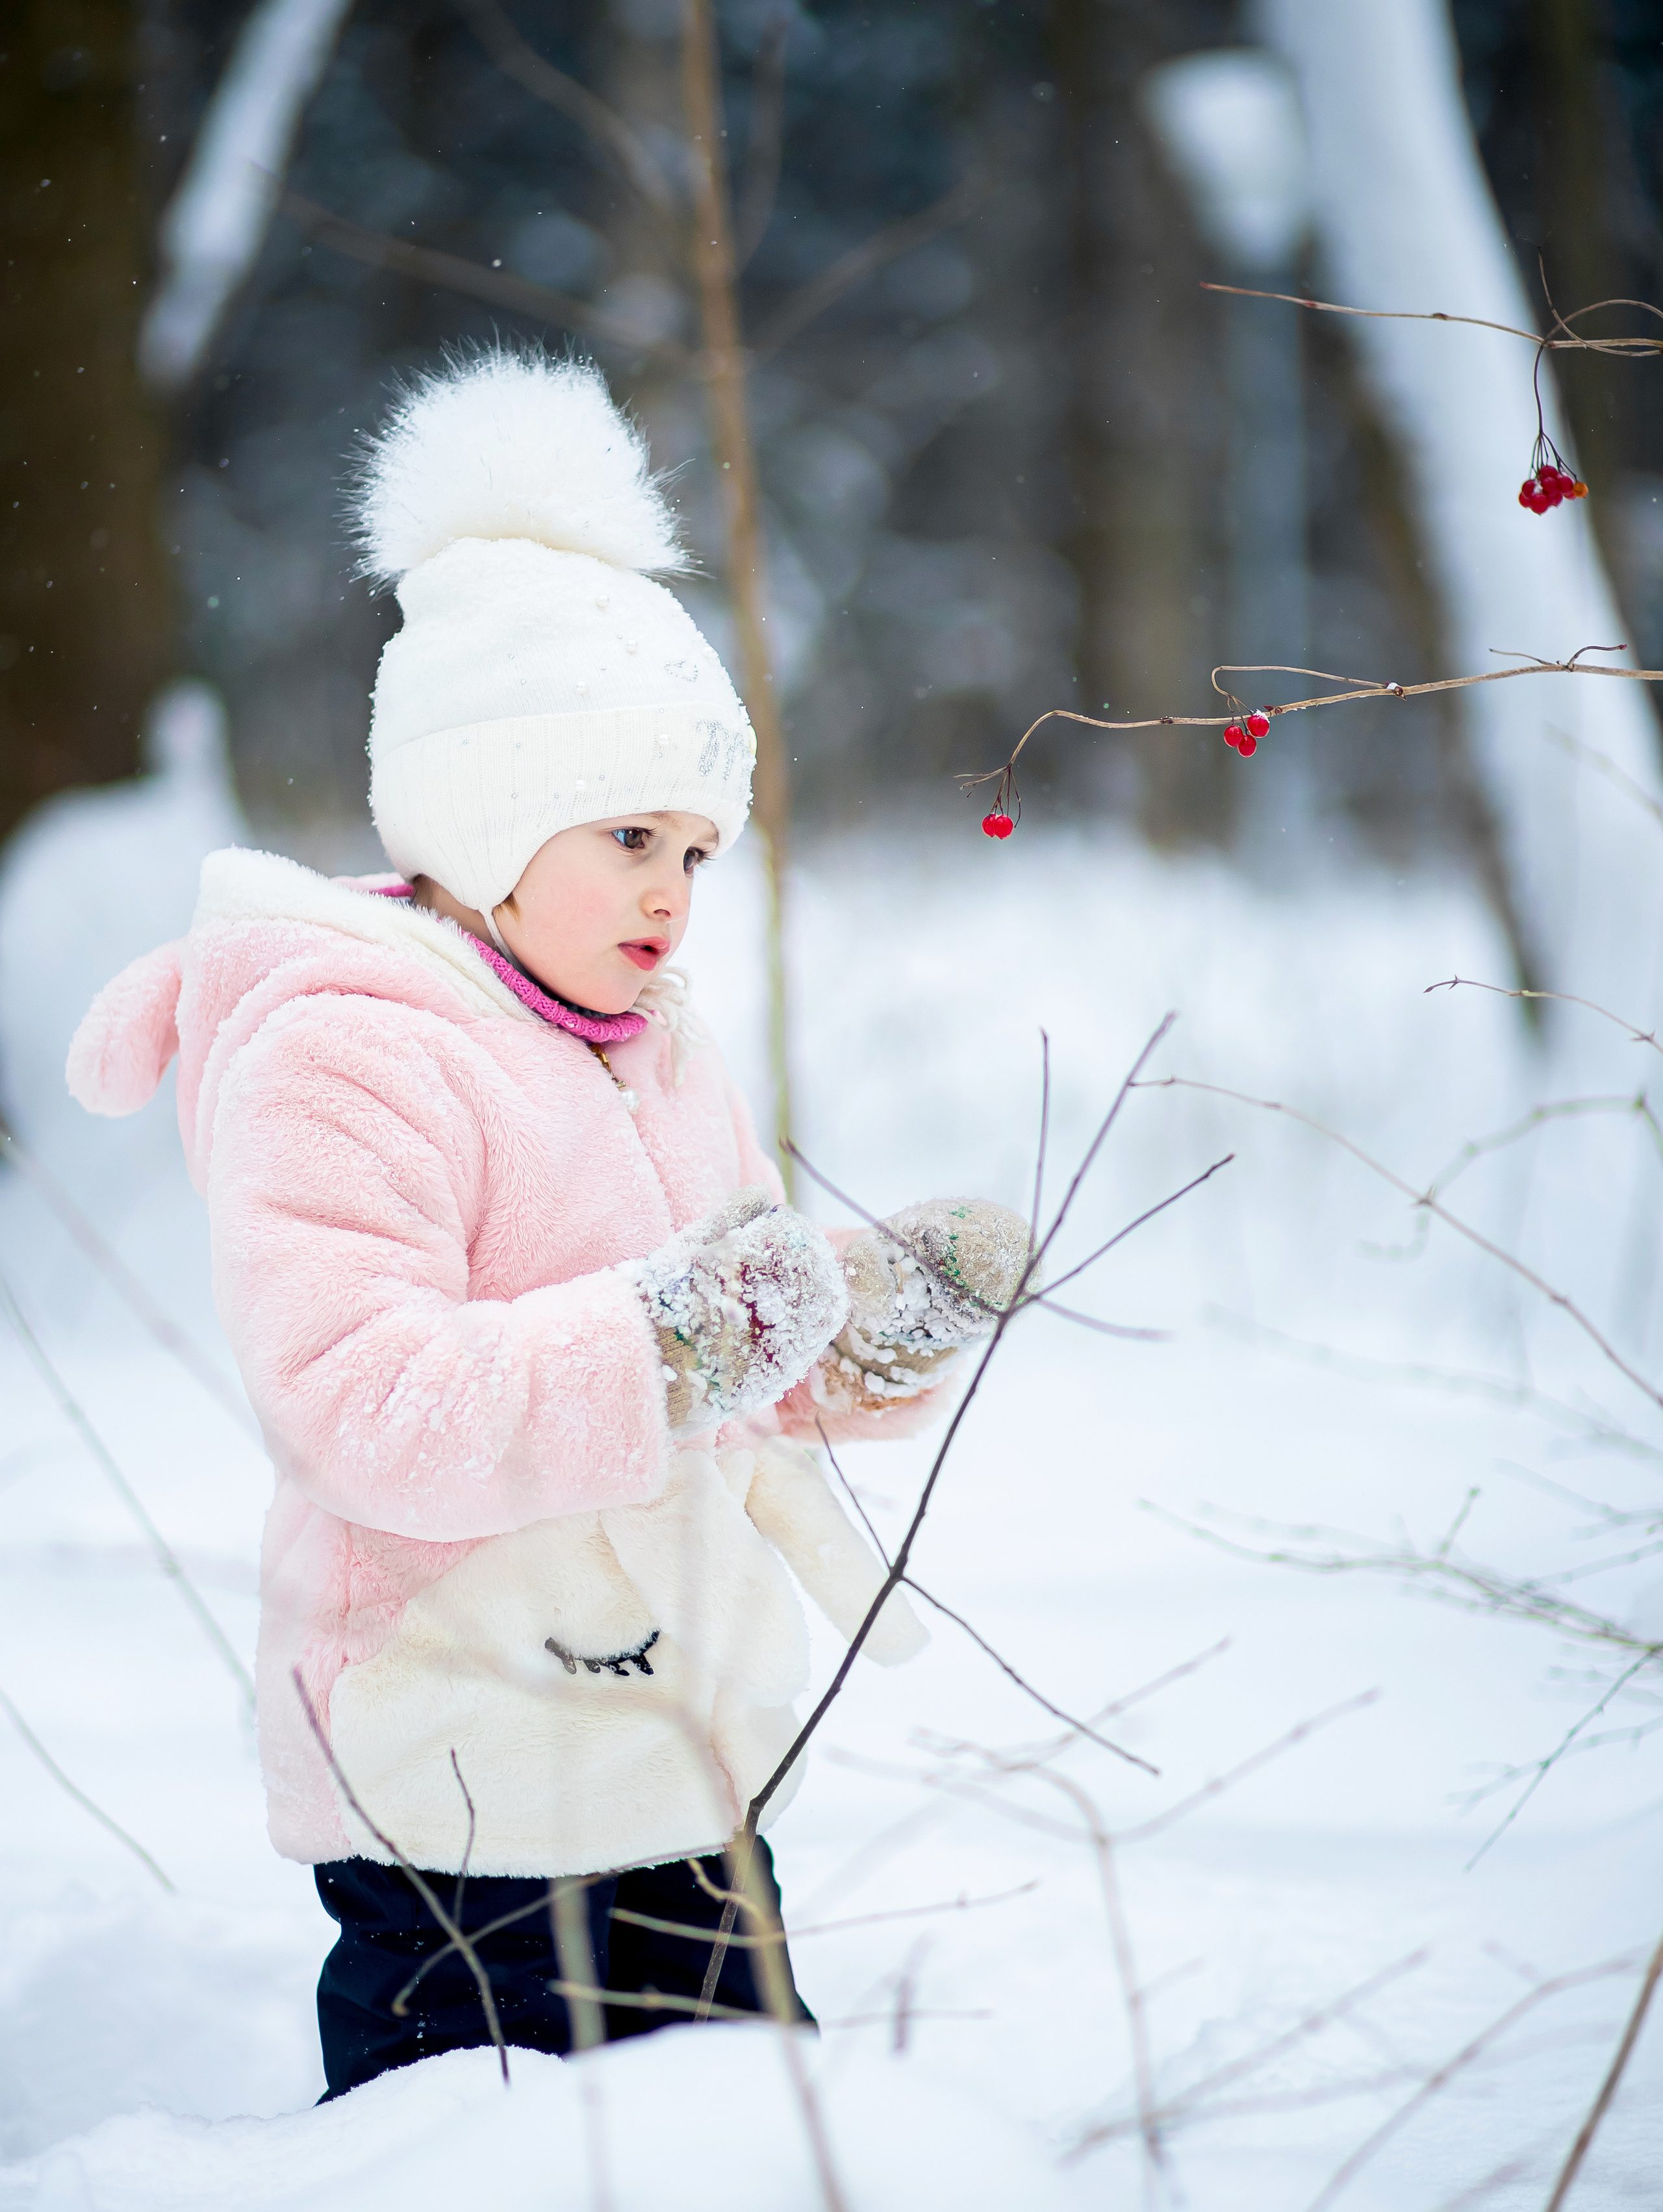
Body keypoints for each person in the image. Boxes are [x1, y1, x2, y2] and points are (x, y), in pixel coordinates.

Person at [66, 348, 1029, 2098]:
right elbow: (361, 1406)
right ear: (490, 820)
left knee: (755, 2144)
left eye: (700, 850)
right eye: (631, 836)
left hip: (684, 1760)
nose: (674, 891)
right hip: (469, 1775)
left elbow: (721, 1366)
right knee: (477, 2159)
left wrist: (848, 1318)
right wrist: (673, 1338)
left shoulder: (656, 1046)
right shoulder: (347, 1055)